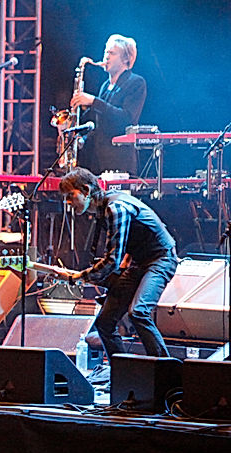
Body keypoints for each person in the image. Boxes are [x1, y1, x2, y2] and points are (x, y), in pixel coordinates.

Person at [54, 167, 177, 370]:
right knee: (104, 322)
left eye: (70, 196)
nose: (68, 203)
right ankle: (123, 377)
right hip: (140, 262)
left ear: (86, 190)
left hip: (160, 259)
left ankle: (168, 375)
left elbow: (111, 260)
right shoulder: (103, 211)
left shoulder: (115, 208)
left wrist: (77, 277)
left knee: (138, 312)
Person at [71, 34, 146, 176]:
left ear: (125, 59)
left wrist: (94, 101)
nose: (106, 57)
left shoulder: (136, 82)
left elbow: (126, 118)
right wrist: (73, 123)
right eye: (106, 52)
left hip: (119, 162)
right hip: (98, 163)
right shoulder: (105, 86)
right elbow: (96, 120)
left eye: (111, 53)